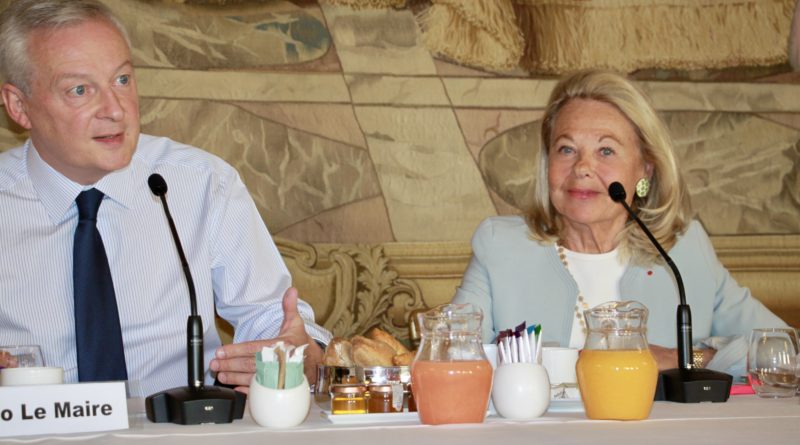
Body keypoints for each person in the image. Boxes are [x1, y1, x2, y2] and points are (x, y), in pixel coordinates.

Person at [0, 0, 330, 396]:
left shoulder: (201, 183)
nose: (115, 110)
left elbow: (272, 321)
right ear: (19, 106)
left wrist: (301, 356)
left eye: (122, 80)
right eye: (80, 90)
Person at [452, 70, 787, 378]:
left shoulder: (683, 252)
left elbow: (785, 352)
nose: (582, 167)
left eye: (606, 151)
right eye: (566, 149)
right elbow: (450, 358)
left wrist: (689, 359)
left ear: (645, 169)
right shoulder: (500, 247)